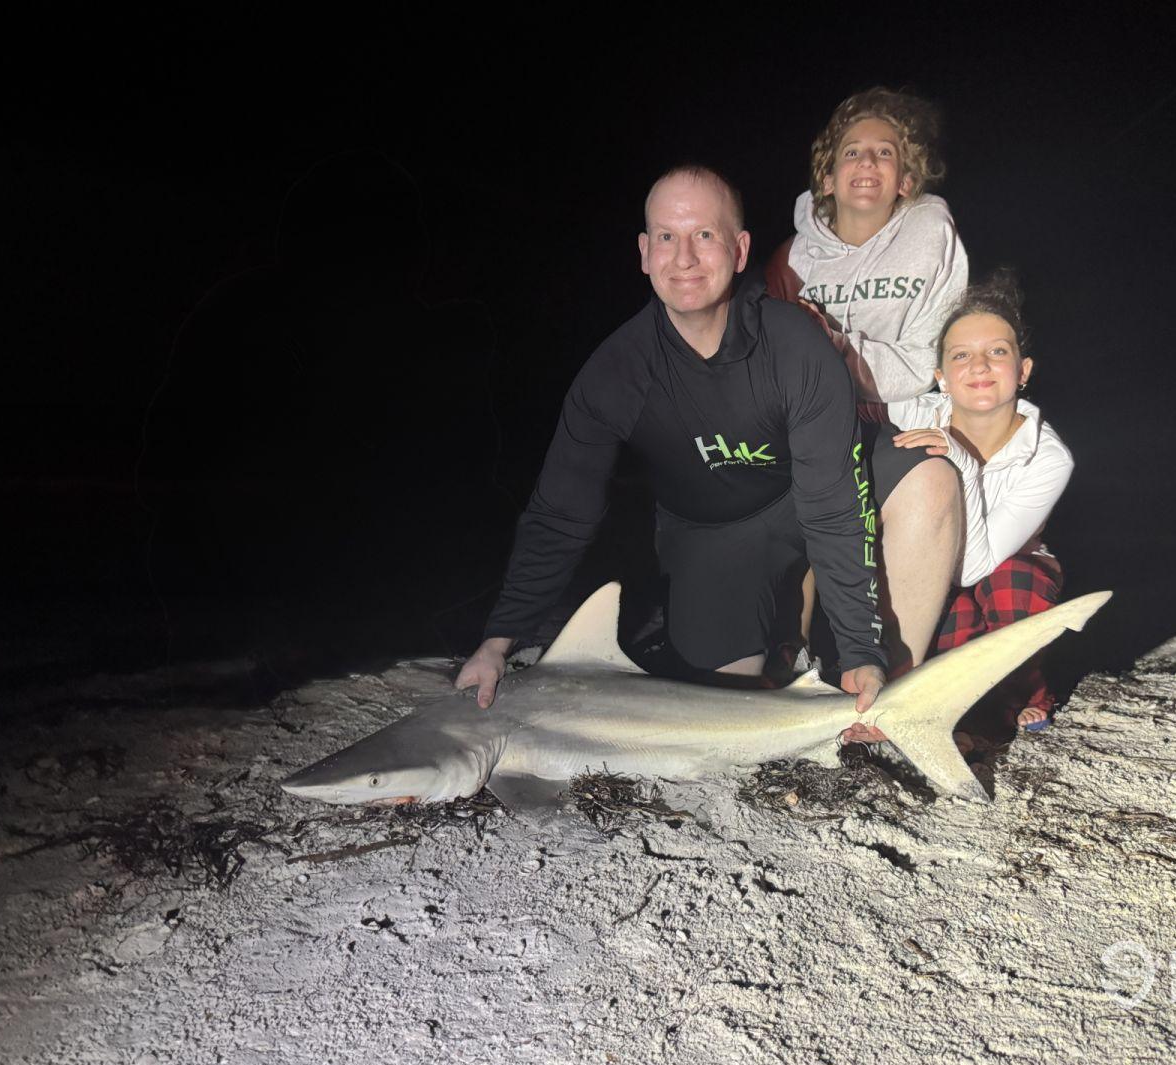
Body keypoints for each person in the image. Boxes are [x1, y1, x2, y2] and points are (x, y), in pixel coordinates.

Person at [456, 166, 886, 715]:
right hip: (716, 535)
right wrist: (498, 641)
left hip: (808, 498)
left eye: (704, 235)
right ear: (643, 252)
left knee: (918, 472)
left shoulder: (796, 345)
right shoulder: (616, 374)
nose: (683, 258)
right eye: (666, 237)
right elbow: (561, 514)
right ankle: (785, 619)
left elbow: (833, 508)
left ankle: (892, 680)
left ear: (739, 250)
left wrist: (860, 650)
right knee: (719, 705)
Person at [766, 87, 969, 676]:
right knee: (787, 479)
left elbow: (932, 355)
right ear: (826, 177)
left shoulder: (933, 237)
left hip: (892, 417)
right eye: (853, 153)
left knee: (933, 482)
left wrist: (836, 353)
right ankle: (789, 658)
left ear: (906, 179)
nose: (868, 164)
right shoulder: (790, 261)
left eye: (885, 154)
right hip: (807, 428)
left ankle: (898, 676)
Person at [888, 274, 1073, 733]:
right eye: (961, 355)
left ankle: (1026, 690)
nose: (979, 366)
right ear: (941, 378)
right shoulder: (907, 413)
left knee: (1013, 589)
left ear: (1023, 371)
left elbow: (974, 566)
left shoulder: (1049, 457)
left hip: (1006, 561)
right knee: (953, 641)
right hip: (928, 558)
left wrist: (961, 463)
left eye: (997, 352)